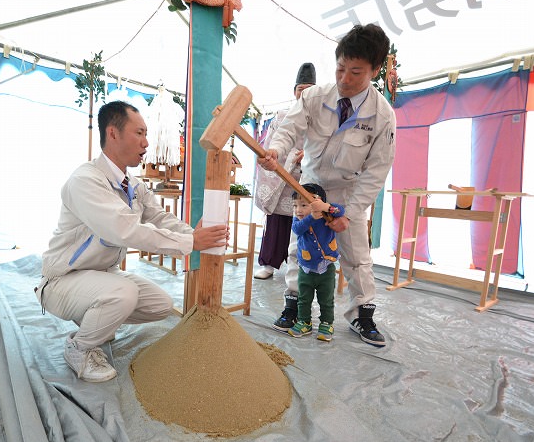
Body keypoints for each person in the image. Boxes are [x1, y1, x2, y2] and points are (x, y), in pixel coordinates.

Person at [35, 101, 228, 382]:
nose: (146, 142)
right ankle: (79, 347)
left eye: (146, 134)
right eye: (139, 133)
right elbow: (124, 230)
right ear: (113, 133)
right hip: (63, 280)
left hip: (100, 275)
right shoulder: (86, 181)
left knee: (161, 305)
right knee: (123, 293)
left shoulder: (133, 185)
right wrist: (190, 243)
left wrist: (192, 234)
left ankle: (93, 318)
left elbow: (159, 217)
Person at [259, 23, 396, 347]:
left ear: (375, 70)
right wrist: (277, 149)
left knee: (357, 256)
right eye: (340, 69)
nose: (345, 79)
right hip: (310, 186)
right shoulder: (314, 97)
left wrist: (349, 211)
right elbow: (289, 128)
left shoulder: (382, 115)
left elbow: (377, 169)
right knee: (300, 246)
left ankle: (362, 314)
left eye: (356, 73)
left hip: (349, 191)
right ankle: (293, 304)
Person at [254, 63, 316, 281]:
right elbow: (272, 144)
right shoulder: (282, 116)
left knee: (302, 222)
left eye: (309, 90)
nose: (305, 94)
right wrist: (290, 157)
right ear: (294, 91)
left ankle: (301, 266)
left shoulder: (320, 119)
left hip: (307, 177)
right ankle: (269, 264)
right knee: (277, 222)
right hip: (282, 176)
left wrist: (307, 156)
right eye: (301, 90)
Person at [287, 183, 345, 341]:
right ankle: (304, 321)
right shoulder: (299, 220)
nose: (298, 210)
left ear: (316, 203)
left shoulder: (327, 215)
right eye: (295, 206)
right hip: (305, 269)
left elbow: (341, 210)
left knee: (326, 299)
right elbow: (297, 230)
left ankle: (327, 323)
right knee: (304, 298)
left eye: (304, 205)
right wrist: (311, 216)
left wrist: (325, 207)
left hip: (326, 267)